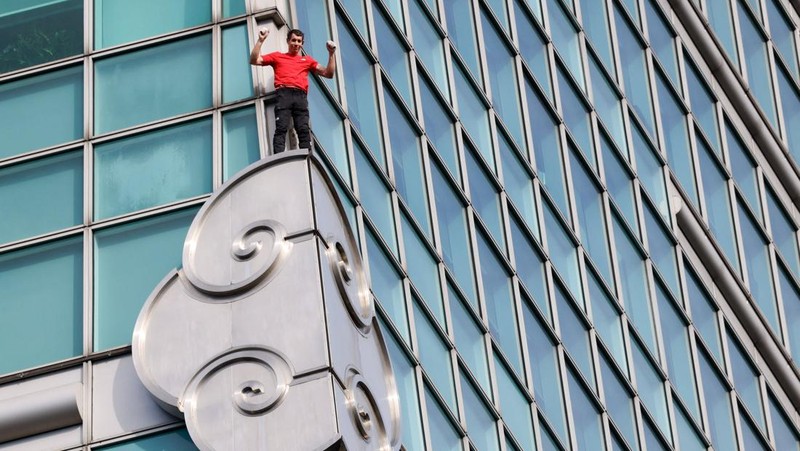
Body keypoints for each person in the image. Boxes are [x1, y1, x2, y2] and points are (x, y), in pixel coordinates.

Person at [250, 28, 336, 153]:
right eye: (294, 40)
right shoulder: (278, 56)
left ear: (302, 43)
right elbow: (254, 60)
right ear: (288, 41)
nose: (296, 43)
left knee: (303, 129)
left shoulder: (307, 60)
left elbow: (329, 73)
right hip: (284, 94)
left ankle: (306, 160)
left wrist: (331, 53)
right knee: (281, 128)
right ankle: (278, 159)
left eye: (299, 41)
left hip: (300, 95)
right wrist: (260, 40)